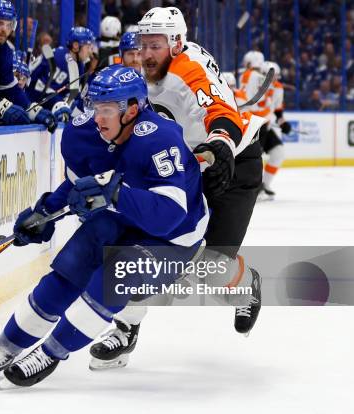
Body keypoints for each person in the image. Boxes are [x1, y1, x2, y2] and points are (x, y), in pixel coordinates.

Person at [0, 65, 209, 388]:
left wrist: (116, 193)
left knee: (117, 274)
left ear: (132, 110)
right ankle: (5, 347)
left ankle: (50, 353)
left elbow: (170, 214)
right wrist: (43, 213)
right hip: (121, 219)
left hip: (174, 237)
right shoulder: (85, 133)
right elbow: (77, 185)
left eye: (105, 110)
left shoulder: (159, 138)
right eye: (93, 107)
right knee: (69, 268)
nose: (96, 118)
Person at [89, 6, 265, 370]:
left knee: (212, 269)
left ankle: (244, 284)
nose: (147, 52)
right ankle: (125, 328)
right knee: (145, 247)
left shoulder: (188, 69)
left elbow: (222, 114)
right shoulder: (142, 72)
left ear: (176, 43)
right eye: (143, 44)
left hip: (233, 163)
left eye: (156, 45)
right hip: (186, 167)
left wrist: (219, 142)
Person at [0, 0, 56, 132]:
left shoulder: (3, 50)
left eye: (8, 25)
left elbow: (11, 88)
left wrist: (31, 108)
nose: (4, 29)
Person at [27, 26, 95, 123]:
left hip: (47, 109)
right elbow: (40, 90)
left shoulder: (79, 64)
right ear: (76, 46)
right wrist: (60, 103)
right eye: (88, 47)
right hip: (32, 107)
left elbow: (71, 94)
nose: (90, 51)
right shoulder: (59, 58)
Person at [257, 61, 289, 200]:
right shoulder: (255, 87)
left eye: (276, 76)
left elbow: (277, 109)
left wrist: (282, 122)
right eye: (272, 76)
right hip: (253, 128)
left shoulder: (278, 88)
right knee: (253, 160)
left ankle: (264, 184)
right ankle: (253, 188)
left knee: (278, 153)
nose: (275, 80)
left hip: (267, 127)